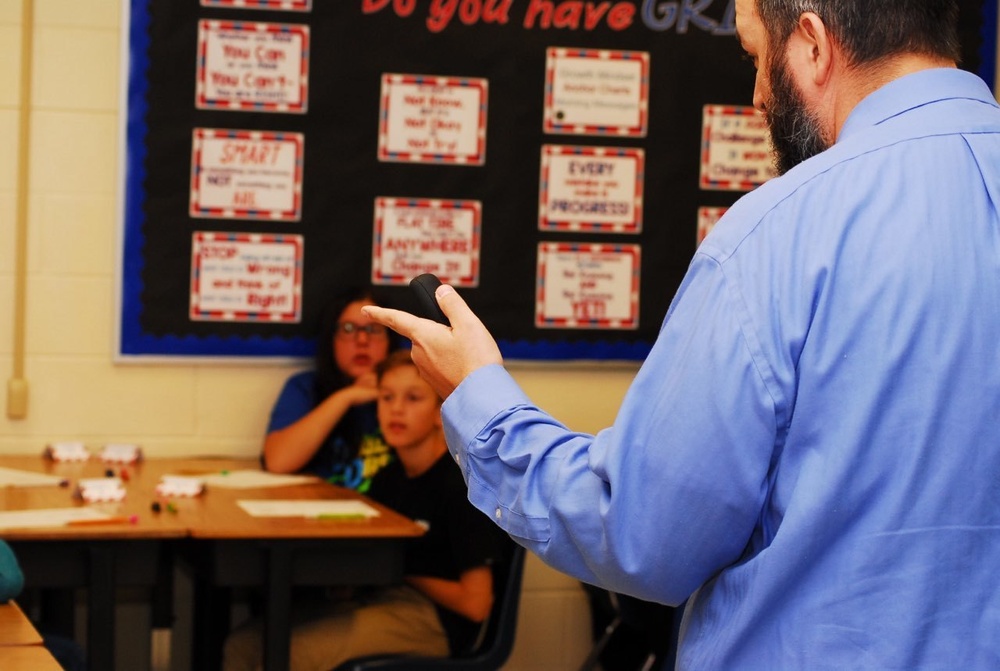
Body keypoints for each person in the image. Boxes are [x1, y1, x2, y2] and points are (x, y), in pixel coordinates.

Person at [362, 0, 1000, 667]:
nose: (756, 97)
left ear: (812, 44)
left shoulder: (777, 235)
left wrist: (479, 397)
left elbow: (641, 536)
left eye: (756, 58)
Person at [224, 349, 511, 671]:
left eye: (413, 398)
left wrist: (402, 568)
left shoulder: (460, 486)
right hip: (380, 599)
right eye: (386, 398)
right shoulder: (389, 477)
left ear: (440, 412)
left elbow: (476, 605)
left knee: (283, 655)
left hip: (433, 621)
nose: (396, 410)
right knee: (244, 645)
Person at [263, 287, 399, 491]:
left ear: (390, 339)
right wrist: (346, 397)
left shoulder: (411, 390)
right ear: (331, 338)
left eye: (374, 329)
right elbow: (278, 461)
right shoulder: (305, 387)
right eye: (348, 329)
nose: (362, 341)